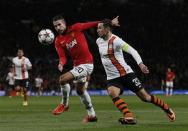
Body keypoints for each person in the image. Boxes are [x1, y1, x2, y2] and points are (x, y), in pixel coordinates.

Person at [95, 19, 175, 124]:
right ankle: (129, 116)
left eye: (100, 28)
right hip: (112, 77)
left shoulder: (116, 41)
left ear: (107, 29)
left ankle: (167, 109)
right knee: (112, 92)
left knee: (145, 97)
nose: (97, 30)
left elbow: (132, 51)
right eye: (97, 28)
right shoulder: (98, 41)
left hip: (126, 74)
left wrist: (140, 64)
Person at [52, 14, 119, 122]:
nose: (57, 28)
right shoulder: (58, 41)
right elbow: (62, 57)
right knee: (80, 91)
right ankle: (92, 115)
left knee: (62, 79)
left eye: (59, 24)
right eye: (55, 26)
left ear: (64, 23)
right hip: (77, 65)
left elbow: (94, 24)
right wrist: (61, 63)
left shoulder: (76, 28)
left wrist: (110, 22)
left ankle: (64, 104)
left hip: (87, 64)